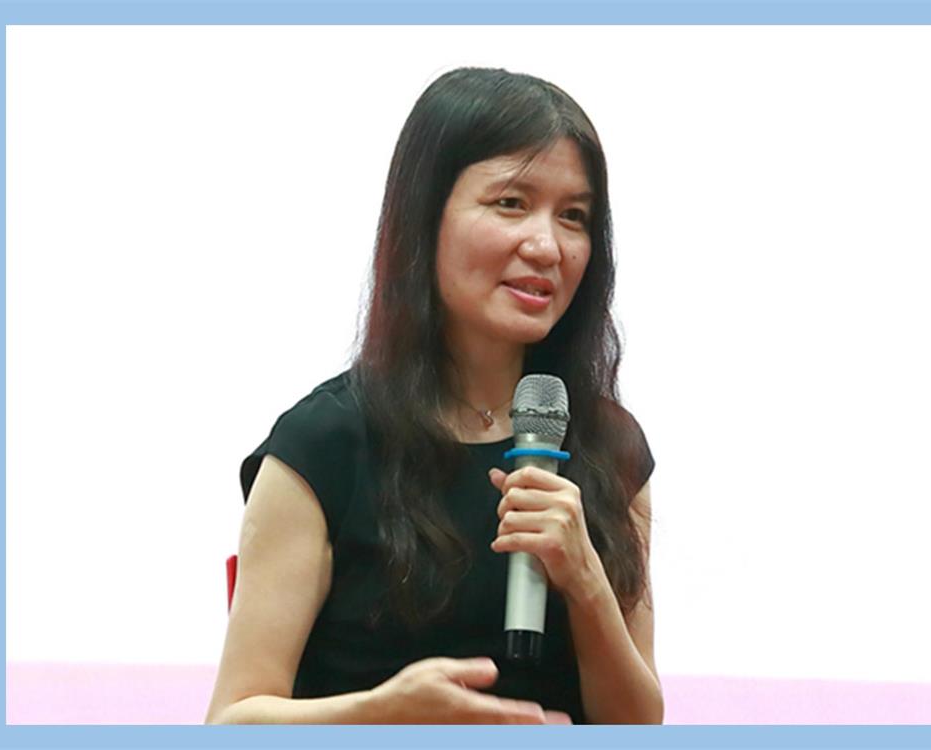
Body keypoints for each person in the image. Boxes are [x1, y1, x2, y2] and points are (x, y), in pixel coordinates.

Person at [205, 67, 661, 725]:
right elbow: (232, 720)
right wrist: (384, 714)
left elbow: (639, 725)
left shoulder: (609, 446)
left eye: (574, 217)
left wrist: (585, 578)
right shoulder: (323, 447)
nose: (546, 245)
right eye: (511, 203)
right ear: (426, 216)